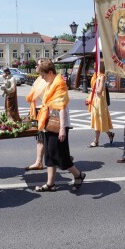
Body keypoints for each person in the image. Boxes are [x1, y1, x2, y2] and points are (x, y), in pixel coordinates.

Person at [34, 60, 85, 192]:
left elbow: (61, 108)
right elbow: (49, 105)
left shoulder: (59, 84)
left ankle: (78, 175)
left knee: (59, 156)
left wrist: (62, 128)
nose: (42, 78)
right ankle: (50, 184)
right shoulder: (51, 83)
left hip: (58, 125)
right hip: (49, 123)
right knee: (49, 156)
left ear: (50, 72)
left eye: (43, 75)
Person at [24, 58, 48, 171]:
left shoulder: (47, 79)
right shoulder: (39, 78)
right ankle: (39, 162)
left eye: (37, 65)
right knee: (41, 138)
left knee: (43, 138)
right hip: (37, 110)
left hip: (44, 112)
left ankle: (40, 162)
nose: (35, 67)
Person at [86, 64, 114, 147]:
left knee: (99, 119)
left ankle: (96, 141)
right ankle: (109, 134)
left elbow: (99, 91)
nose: (94, 66)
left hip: (99, 101)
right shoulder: (96, 76)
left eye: (95, 65)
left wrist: (93, 89)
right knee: (98, 120)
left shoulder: (101, 77)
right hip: (96, 100)